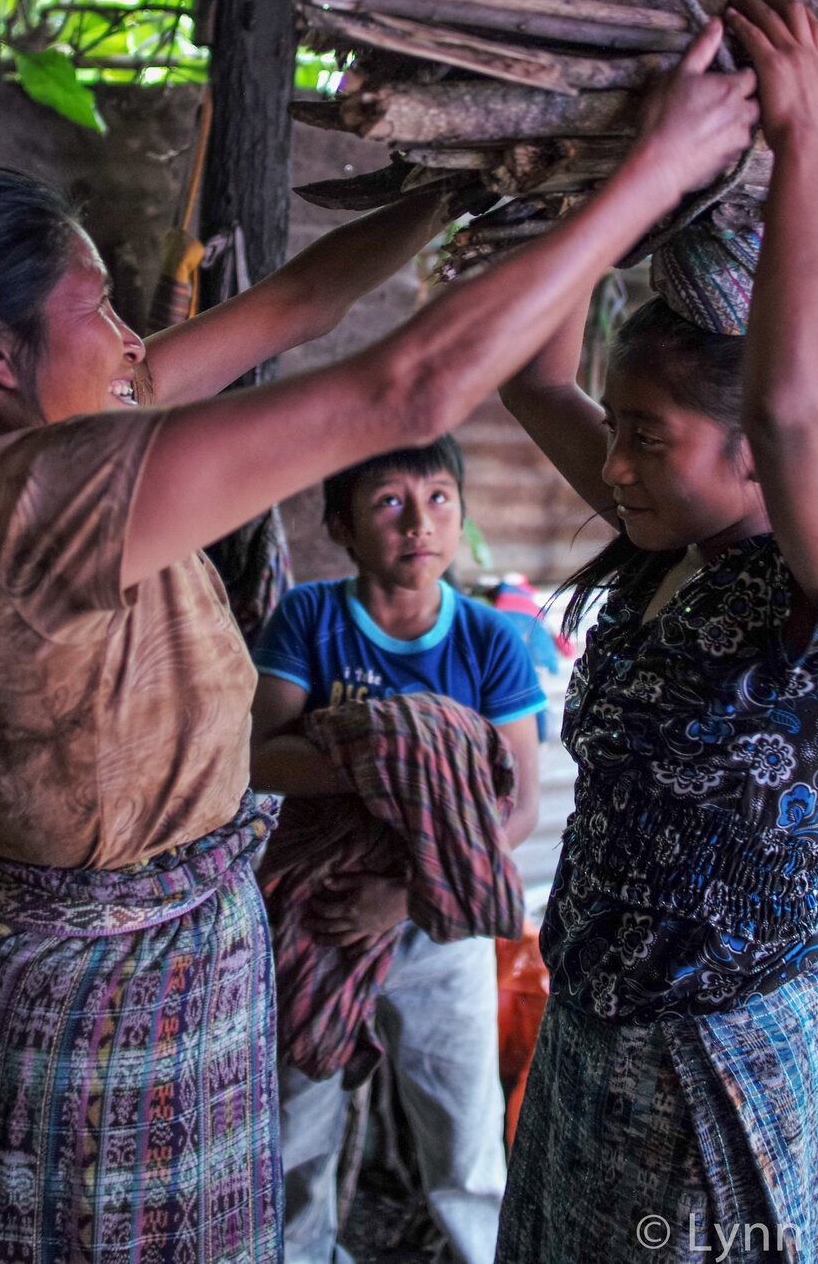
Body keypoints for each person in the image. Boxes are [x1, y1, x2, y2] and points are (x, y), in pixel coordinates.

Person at [0, 24, 757, 1264]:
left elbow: (297, 303)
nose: (125, 337)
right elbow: (404, 393)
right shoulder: (35, 497)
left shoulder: (57, 441)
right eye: (94, 306)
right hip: (91, 1034)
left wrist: (473, 181)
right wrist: (649, 174)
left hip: (150, 993)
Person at [494, 0, 818, 1264]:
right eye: (616, 427)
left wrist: (807, 140)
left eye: (647, 435)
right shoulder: (663, 545)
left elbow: (796, 407)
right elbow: (528, 375)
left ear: (749, 457)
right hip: (592, 1033)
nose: (612, 461)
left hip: (710, 1057)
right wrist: (622, 179)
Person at [247, 435, 543, 1264]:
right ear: (340, 523)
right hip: (321, 919)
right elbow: (259, 754)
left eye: (440, 498)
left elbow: (513, 804)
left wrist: (407, 895)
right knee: (295, 1129)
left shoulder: (488, 639)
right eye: (390, 502)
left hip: (434, 930)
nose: (420, 521)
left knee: (465, 1134)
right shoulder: (309, 617)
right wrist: (390, 737)